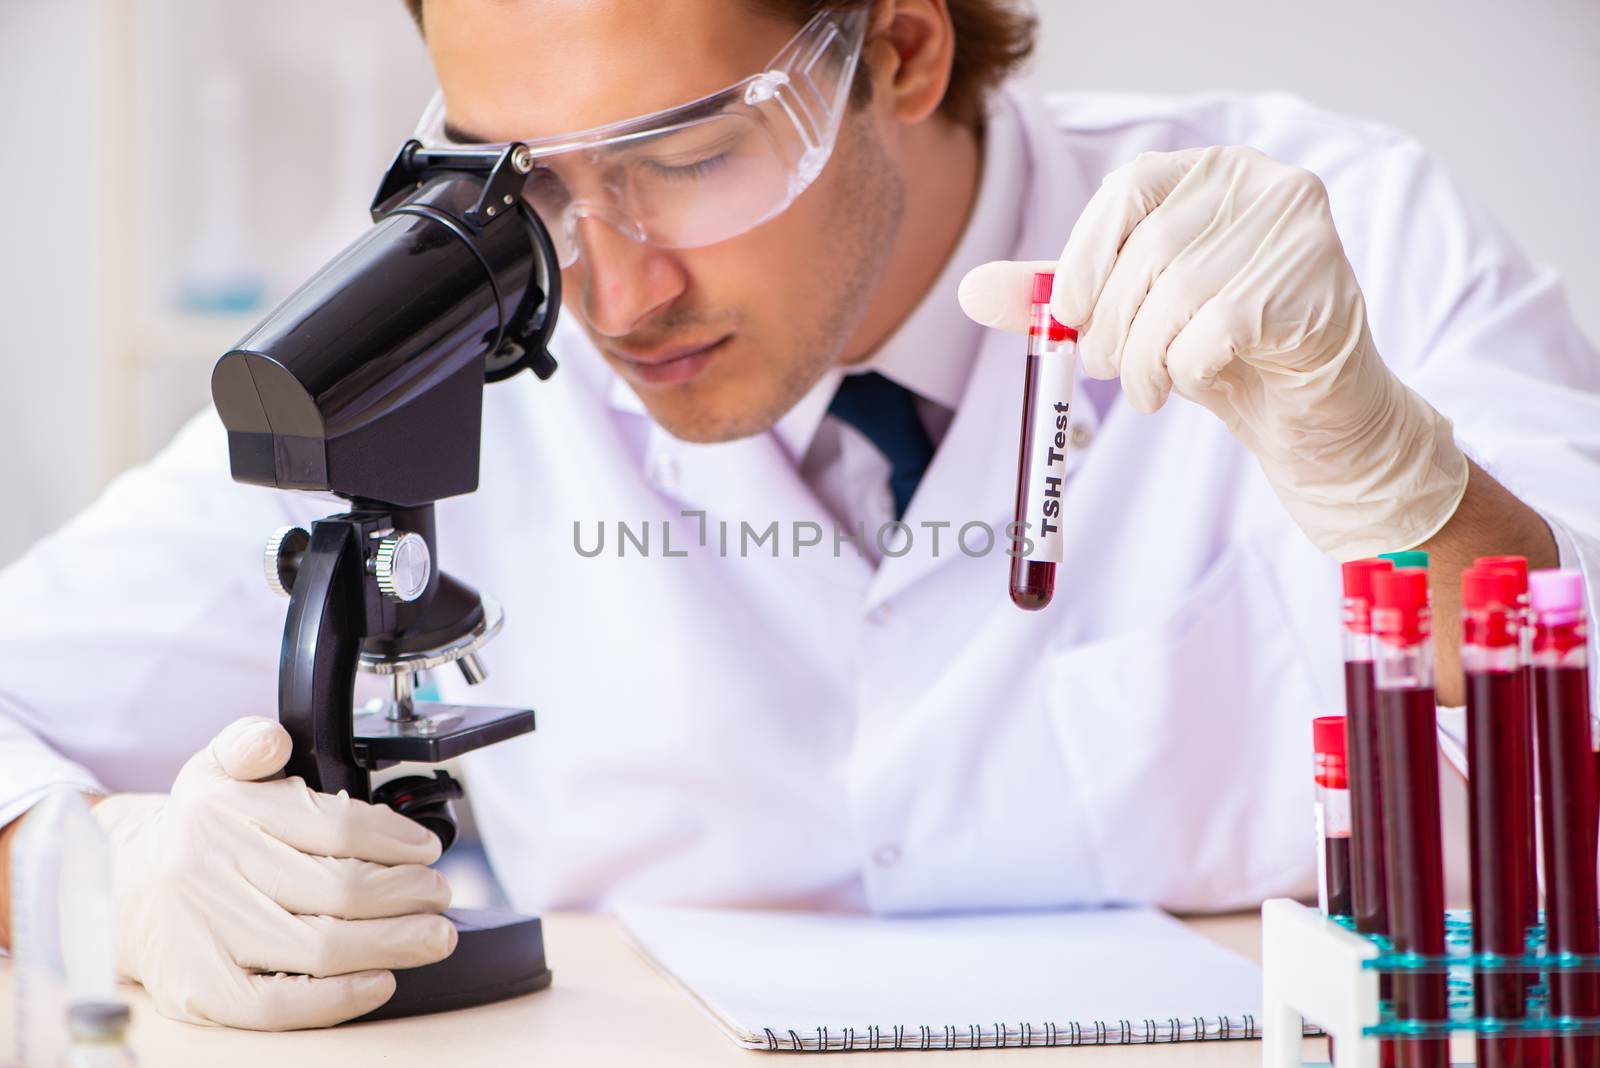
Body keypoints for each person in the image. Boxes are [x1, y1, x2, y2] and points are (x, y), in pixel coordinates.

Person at [1, 0, 1596, 1032]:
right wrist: (105, 878)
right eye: (526, 178)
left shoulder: (1342, 239)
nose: (609, 292)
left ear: (898, 48)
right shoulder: (468, 327)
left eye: (685, 155)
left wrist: (1401, 479)